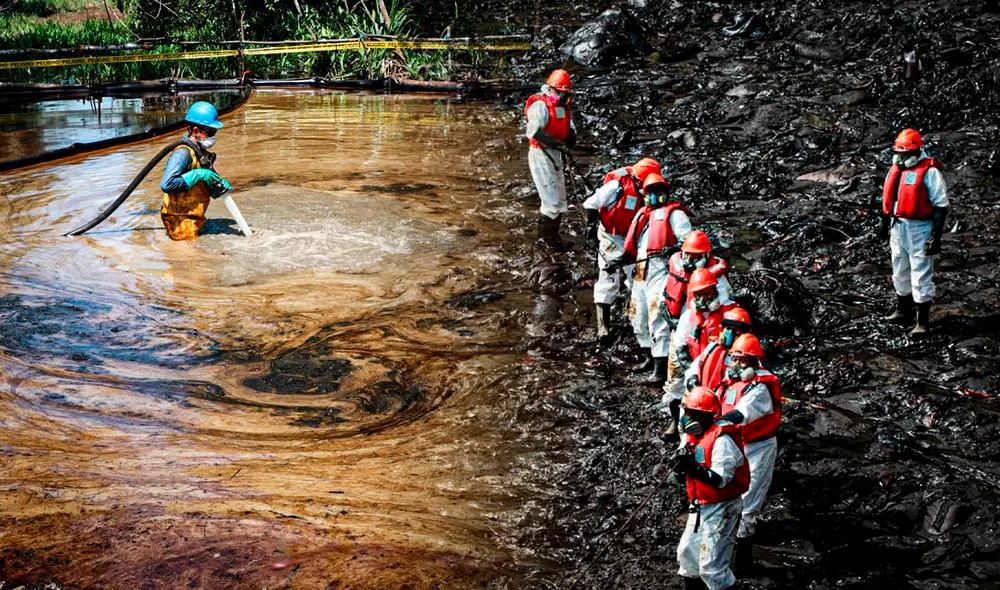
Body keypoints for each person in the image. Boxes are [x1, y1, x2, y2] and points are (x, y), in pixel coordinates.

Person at [614, 173, 692, 384]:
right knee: (637, 314)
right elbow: (633, 246)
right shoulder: (643, 216)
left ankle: (660, 369)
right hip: (641, 270)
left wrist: (675, 249)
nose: (655, 196)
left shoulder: (675, 215)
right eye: (651, 192)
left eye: (660, 192)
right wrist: (617, 261)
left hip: (662, 269)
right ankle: (649, 357)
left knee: (657, 315)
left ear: (666, 193)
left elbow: (688, 241)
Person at [673, 386, 749, 590]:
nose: (686, 418)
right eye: (686, 412)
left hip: (722, 508)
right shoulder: (693, 437)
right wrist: (681, 471)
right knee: (687, 555)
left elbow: (720, 480)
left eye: (691, 414)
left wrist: (693, 468)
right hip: (701, 505)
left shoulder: (722, 441)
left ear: (705, 416)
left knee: (712, 568)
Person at [717, 333, 782, 573]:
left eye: (742, 361)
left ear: (754, 363)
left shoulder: (760, 388)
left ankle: (742, 560)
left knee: (748, 503)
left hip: (758, 448)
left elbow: (742, 413)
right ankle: (725, 547)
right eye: (734, 358)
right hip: (735, 444)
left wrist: (716, 424)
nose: (735, 365)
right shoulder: (730, 381)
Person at [583, 157, 662, 344]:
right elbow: (590, 204)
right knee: (608, 276)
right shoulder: (616, 187)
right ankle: (603, 325)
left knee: (636, 278)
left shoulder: (655, 191)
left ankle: (635, 318)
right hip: (612, 235)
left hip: (634, 236)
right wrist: (591, 232)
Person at [878, 128, 949, 335]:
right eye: (898, 153)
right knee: (899, 268)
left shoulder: (930, 172)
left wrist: (936, 235)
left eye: (905, 154)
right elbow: (888, 201)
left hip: (920, 228)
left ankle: (922, 322)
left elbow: (941, 206)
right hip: (898, 225)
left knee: (920, 271)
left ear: (916, 152)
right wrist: (884, 225)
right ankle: (902, 310)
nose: (901, 158)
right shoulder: (896, 170)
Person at [159, 101, 231, 241]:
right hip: (179, 223)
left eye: (214, 132)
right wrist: (199, 174)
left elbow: (204, 191)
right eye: (210, 132)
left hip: (194, 220)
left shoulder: (202, 154)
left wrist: (219, 187)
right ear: (196, 131)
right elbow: (167, 184)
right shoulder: (183, 154)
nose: (213, 136)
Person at [525, 69, 577, 250]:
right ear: (553, 90)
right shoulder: (540, 106)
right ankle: (545, 242)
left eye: (567, 94)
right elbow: (533, 132)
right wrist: (556, 143)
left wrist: (569, 141)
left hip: (557, 153)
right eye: (563, 93)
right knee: (551, 200)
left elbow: (570, 129)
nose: (565, 97)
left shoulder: (564, 107)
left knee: (561, 200)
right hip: (541, 154)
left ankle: (554, 238)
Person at [681, 306, 753, 394]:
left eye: (735, 330)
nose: (730, 333)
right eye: (728, 328)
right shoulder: (713, 347)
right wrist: (693, 384)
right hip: (706, 399)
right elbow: (693, 369)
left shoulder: (749, 355)